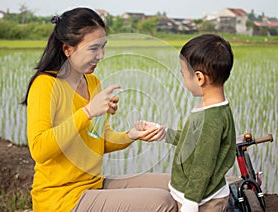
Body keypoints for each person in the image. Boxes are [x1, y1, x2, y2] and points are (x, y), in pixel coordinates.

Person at [21, 7, 177, 212]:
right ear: (68, 49)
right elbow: (39, 150)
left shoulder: (93, 82)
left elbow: (98, 140)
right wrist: (87, 112)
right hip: (61, 198)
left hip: (93, 184)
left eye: (103, 47)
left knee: (177, 186)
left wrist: (132, 135)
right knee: (161, 202)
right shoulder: (46, 85)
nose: (101, 55)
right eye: (93, 49)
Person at [136, 34, 236, 211]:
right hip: (199, 196)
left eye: (183, 74)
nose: (183, 80)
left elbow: (203, 165)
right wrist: (165, 133)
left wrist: (190, 202)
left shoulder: (211, 118)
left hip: (203, 201)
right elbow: (195, 141)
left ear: (199, 78)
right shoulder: (213, 109)